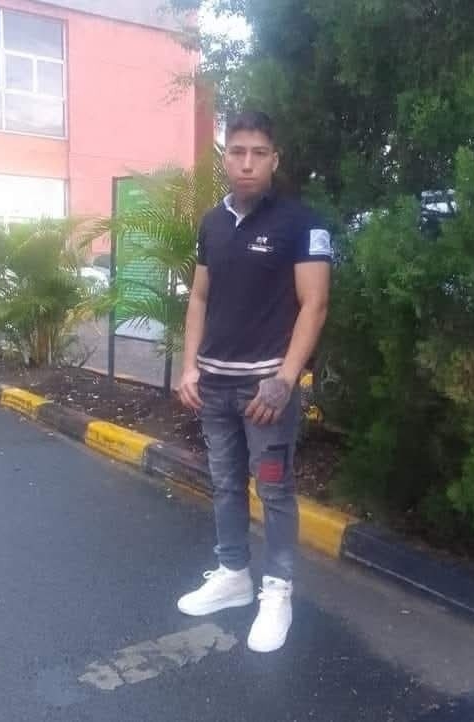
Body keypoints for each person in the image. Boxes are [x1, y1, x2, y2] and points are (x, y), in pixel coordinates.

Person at [177, 110, 332, 653]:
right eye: (237, 152)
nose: (247, 163)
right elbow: (199, 298)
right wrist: (189, 366)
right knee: (224, 483)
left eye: (258, 153)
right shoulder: (212, 223)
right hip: (214, 389)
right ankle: (233, 575)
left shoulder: (301, 223)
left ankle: (277, 592)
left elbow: (315, 305)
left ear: (274, 159)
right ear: (225, 158)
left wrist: (285, 381)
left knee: (274, 489)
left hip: (266, 394)